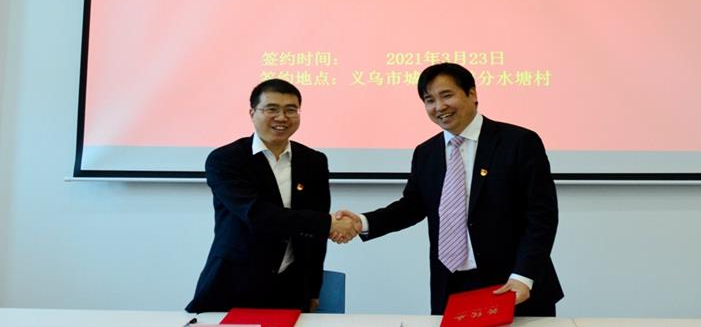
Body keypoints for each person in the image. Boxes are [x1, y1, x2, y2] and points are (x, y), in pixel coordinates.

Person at [334, 63, 563, 316]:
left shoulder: (518, 142)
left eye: (447, 95)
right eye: (429, 100)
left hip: (514, 284)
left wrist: (523, 275)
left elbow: (541, 215)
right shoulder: (426, 153)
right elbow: (411, 207)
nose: (439, 107)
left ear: (472, 93)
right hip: (452, 285)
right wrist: (362, 222)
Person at [186, 79, 359, 313]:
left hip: (291, 287)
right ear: (252, 113)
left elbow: (314, 236)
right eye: (272, 109)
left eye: (291, 110)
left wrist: (313, 289)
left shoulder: (314, 161)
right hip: (234, 284)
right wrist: (328, 223)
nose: (282, 117)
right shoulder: (226, 159)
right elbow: (257, 214)